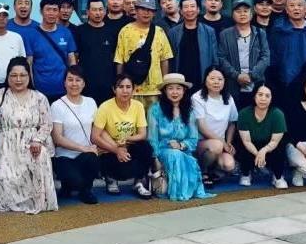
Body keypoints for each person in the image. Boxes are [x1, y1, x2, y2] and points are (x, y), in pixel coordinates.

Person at [0, 58, 57, 214]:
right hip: (4, 146)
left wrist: (37, 140)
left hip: (32, 144)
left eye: (23, 75)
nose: (18, 79)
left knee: (40, 156)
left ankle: (38, 201)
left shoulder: (39, 97)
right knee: (1, 176)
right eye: (14, 75)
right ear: (7, 76)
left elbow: (46, 124)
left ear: (29, 76)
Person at [148, 73, 208, 201]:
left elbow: (193, 139)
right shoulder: (155, 110)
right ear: (165, 91)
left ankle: (182, 189)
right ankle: (178, 191)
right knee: (175, 155)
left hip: (184, 151)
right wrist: (155, 158)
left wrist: (181, 145)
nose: (174, 92)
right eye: (170, 88)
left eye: (178, 88)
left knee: (181, 156)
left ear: (184, 90)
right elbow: (152, 138)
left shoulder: (189, 111)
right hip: (162, 151)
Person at [91, 74, 153, 198]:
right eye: (120, 87)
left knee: (146, 147)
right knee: (103, 154)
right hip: (110, 147)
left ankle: (139, 182)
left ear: (133, 89)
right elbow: (95, 137)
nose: (125, 91)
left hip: (128, 145)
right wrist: (116, 149)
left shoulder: (138, 106)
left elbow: (142, 134)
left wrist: (126, 139)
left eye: (128, 87)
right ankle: (111, 179)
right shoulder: (105, 107)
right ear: (114, 89)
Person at [50, 65, 100, 204]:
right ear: (64, 83)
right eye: (70, 79)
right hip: (64, 156)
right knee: (74, 181)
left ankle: (86, 190)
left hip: (86, 155)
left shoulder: (91, 102)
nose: (74, 84)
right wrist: (83, 148)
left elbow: (97, 130)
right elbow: (57, 138)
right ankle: (68, 185)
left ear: (83, 83)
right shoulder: (57, 105)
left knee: (93, 159)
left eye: (78, 80)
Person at [114, 0, 173, 108]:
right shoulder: (125, 31)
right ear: (136, 10)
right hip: (131, 90)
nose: (146, 13)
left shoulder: (159, 32)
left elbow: (164, 59)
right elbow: (119, 59)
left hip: (155, 90)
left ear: (154, 13)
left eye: (150, 10)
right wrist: (120, 85)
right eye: (143, 9)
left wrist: (164, 85)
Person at [268, 0, 306, 106]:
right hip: (283, 80)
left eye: (299, 5)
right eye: (292, 6)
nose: (296, 8)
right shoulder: (277, 29)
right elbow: (272, 54)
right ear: (286, 10)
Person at [215, 0, 270, 110]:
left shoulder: (260, 33)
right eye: (238, 11)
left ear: (251, 14)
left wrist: (251, 75)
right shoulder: (225, 34)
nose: (242, 14)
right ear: (233, 15)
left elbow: (265, 57)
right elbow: (221, 58)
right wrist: (237, 75)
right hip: (233, 84)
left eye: (245, 11)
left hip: (256, 83)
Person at [25, 0, 78, 102]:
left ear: (58, 12)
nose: (51, 13)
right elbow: (29, 64)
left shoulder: (65, 32)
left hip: (64, 90)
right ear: (41, 11)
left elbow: (72, 60)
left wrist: (73, 83)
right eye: (48, 9)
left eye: (55, 10)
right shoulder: (31, 34)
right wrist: (31, 87)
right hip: (40, 91)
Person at [235, 84, 287, 188]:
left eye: (267, 96)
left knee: (280, 148)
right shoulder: (244, 113)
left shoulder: (277, 114)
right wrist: (258, 154)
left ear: (271, 98)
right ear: (254, 96)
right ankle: (246, 174)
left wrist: (263, 151)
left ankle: (278, 177)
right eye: (260, 95)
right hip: (251, 144)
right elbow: (246, 141)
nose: (263, 99)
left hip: (270, 145)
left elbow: (275, 141)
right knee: (242, 146)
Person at [191, 67, 237, 184]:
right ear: (205, 80)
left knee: (229, 165)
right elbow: (202, 127)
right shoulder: (197, 97)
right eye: (212, 78)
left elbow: (232, 123)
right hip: (200, 143)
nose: (216, 82)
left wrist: (228, 143)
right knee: (216, 146)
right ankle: (203, 171)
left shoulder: (228, 98)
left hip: (220, 144)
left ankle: (213, 171)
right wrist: (223, 143)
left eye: (220, 79)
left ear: (224, 81)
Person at [73, 0, 118, 103]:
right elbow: (75, 56)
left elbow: (116, 56)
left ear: (105, 11)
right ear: (88, 12)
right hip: (86, 83)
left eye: (100, 9)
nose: (98, 13)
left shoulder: (112, 31)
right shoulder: (79, 31)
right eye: (94, 10)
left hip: (108, 83)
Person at [167, 0, 218, 86]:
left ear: (198, 10)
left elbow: (214, 58)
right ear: (181, 11)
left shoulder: (209, 31)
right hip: (180, 82)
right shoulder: (173, 32)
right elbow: (170, 60)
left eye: (192, 6)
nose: (189, 10)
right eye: (186, 7)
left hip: (202, 80)